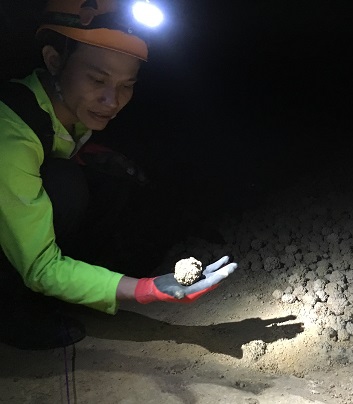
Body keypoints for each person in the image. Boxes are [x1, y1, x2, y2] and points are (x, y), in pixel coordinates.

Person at [0, 0, 237, 350]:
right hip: (15, 233)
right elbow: (41, 265)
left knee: (108, 179)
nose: (112, 100)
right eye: (97, 79)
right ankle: (13, 316)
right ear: (54, 60)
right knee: (65, 189)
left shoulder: (60, 106)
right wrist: (148, 289)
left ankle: (80, 285)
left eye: (126, 85)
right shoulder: (11, 134)